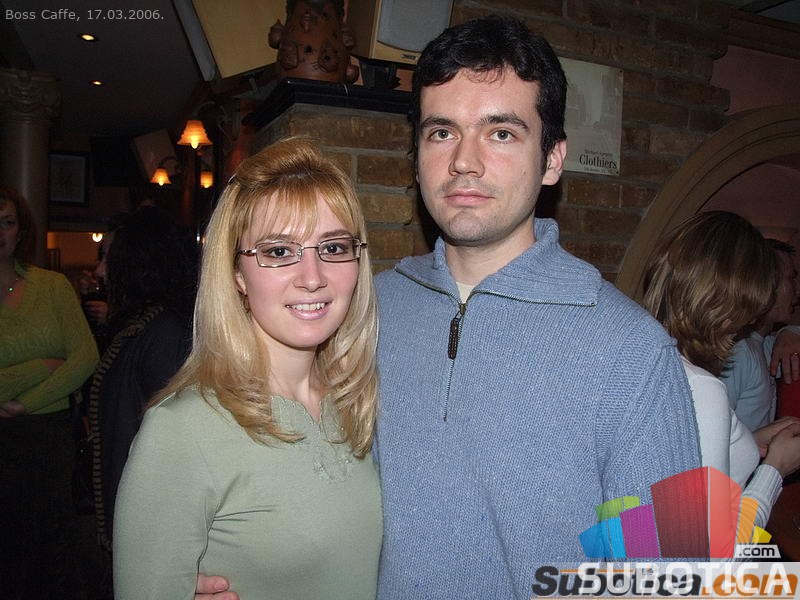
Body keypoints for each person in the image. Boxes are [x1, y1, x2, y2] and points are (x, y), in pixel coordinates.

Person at [197, 15, 701, 600]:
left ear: (553, 158)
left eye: (501, 133)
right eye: (442, 132)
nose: (465, 161)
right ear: (416, 154)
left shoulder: (632, 353)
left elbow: (672, 579)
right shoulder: (362, 308)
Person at [113, 138, 382, 599]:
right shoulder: (183, 429)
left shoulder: (358, 403)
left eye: (334, 247)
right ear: (237, 273)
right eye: (278, 251)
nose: (313, 277)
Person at [642, 211, 800, 535]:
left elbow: (682, 470)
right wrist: (776, 468)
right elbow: (713, 550)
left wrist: (748, 440)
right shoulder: (702, 388)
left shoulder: (650, 362)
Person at [0, 187, 99, 599]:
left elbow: (85, 357)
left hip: (49, 438)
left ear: (21, 230)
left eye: (7, 222)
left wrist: (24, 402)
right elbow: (62, 362)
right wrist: (41, 367)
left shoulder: (52, 286)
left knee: (49, 551)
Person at [88, 206, 197, 552]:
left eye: (108, 258)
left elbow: (178, 454)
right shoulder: (148, 327)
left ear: (136, 263)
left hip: (152, 529)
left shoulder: (163, 334)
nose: (100, 270)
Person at [720, 239, 800, 431]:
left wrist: (790, 331)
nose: (797, 290)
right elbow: (713, 435)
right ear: (765, 284)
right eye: (790, 279)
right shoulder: (739, 351)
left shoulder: (765, 345)